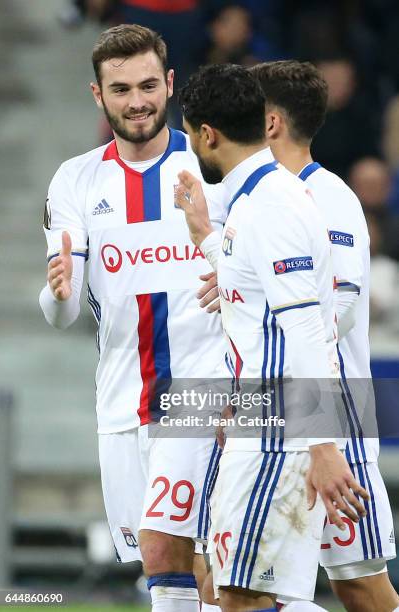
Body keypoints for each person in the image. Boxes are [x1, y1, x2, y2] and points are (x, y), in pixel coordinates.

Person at [39, 23, 229, 612]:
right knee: (164, 566)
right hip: (123, 402)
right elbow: (60, 314)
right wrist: (60, 290)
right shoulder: (76, 179)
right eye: (120, 89)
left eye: (148, 85)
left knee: (206, 560)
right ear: (98, 94)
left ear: (170, 84)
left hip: (208, 392)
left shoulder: (213, 166)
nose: (137, 101)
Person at [176, 62, 369, 612]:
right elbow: (255, 299)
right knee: (241, 594)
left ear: (208, 134)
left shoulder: (273, 208)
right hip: (259, 424)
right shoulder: (257, 200)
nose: (192, 147)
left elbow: (310, 327)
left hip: (279, 436)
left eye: (190, 135)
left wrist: (324, 447)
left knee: (239, 597)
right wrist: (205, 238)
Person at [248, 59, 398, 612]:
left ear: (268, 123)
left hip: (331, 410)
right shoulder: (256, 199)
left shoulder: (329, 197)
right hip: (267, 413)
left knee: (358, 584)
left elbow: (343, 311)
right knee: (236, 583)